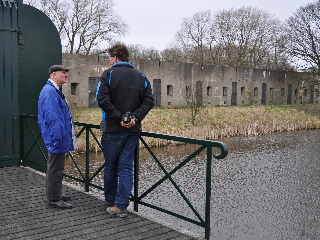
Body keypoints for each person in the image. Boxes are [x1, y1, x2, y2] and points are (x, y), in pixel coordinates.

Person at [97, 43, 154, 218]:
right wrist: (134, 118)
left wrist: (118, 117)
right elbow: (149, 101)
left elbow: (102, 99)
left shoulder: (108, 74)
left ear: (115, 57)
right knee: (126, 168)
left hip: (113, 129)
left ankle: (110, 200)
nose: (109, 61)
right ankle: (121, 206)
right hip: (133, 130)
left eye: (109, 57)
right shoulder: (141, 76)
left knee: (111, 166)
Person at [38, 65, 76, 209]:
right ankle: (54, 198)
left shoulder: (53, 90)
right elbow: (53, 117)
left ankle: (56, 193)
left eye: (66, 73)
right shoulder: (50, 92)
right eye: (63, 73)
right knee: (55, 168)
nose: (66, 75)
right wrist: (57, 138)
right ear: (54, 74)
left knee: (56, 167)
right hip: (57, 138)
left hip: (58, 137)